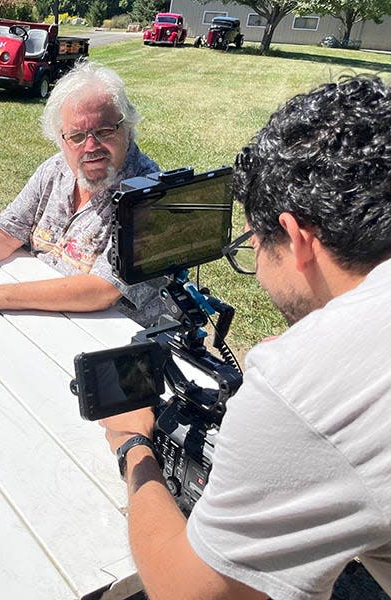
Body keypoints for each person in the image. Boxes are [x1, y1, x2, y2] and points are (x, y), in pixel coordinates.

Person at [101, 75, 391, 600]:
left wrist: (133, 446)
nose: (256, 265)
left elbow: (188, 591)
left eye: (254, 244)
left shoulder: (307, 383)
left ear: (297, 237)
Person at [0, 61, 164, 323]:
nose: (91, 146)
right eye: (77, 136)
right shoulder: (56, 170)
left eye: (104, 131)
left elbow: (104, 290)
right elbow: (6, 230)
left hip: (112, 336)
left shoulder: (149, 195)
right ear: (61, 138)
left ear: (127, 128)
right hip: (39, 316)